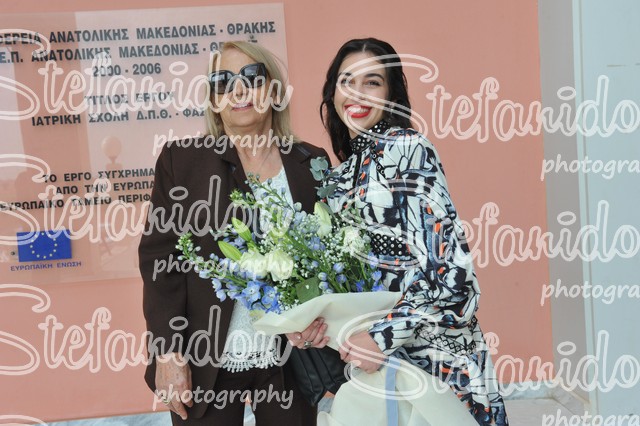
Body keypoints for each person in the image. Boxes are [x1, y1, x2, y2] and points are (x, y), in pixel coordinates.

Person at [316, 37, 509, 425]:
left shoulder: (408, 149)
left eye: (373, 82)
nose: (357, 93)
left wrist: (382, 337)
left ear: (391, 94)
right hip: (373, 365)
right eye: (346, 81)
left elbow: (453, 275)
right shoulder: (336, 178)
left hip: (435, 359)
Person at [139, 40, 329, 425]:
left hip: (291, 360)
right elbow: (161, 262)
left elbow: (328, 256)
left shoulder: (311, 162)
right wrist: (168, 352)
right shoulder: (182, 162)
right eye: (223, 81)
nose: (238, 90)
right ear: (213, 99)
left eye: (251, 77)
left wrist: (319, 315)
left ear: (273, 90)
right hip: (206, 359)